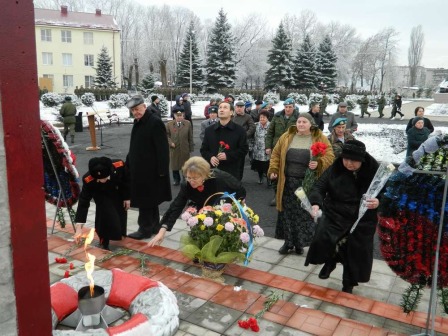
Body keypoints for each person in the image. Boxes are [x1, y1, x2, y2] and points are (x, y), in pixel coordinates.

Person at [305, 140, 380, 294]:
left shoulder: (374, 170)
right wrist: (316, 203)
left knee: (354, 251)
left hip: (362, 216)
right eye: (346, 159)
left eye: (353, 161)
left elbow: (387, 192)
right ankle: (330, 261)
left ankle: (349, 282)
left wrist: (379, 202)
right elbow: (319, 186)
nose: (348, 164)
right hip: (336, 212)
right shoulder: (337, 167)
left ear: (362, 159)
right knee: (324, 237)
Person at [268, 113, 334, 255]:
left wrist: (319, 163)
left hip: (307, 183)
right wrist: (273, 169)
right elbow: (276, 154)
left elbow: (330, 156)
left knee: (303, 214)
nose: (301, 124)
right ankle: (288, 242)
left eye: (304, 122)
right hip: (287, 182)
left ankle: (299, 244)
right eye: (299, 121)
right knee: (287, 213)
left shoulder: (319, 137)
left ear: (311, 124)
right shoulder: (287, 136)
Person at [147, 156, 246, 247]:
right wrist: (162, 230)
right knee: (200, 232)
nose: (191, 181)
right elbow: (176, 206)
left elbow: (239, 188)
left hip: (221, 205)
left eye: (195, 178)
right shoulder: (186, 184)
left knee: (219, 234)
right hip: (201, 207)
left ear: (204, 175)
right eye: (188, 177)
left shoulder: (219, 178)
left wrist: (238, 204)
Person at [125, 95, 172, 240]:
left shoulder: (154, 122)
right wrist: (129, 161)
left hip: (150, 170)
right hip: (140, 169)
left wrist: (163, 170)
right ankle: (154, 226)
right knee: (151, 200)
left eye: (138, 109)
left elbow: (163, 148)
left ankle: (144, 229)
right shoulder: (139, 122)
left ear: (144, 106)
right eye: (133, 110)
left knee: (145, 199)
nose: (136, 112)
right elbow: (135, 145)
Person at [74, 157, 130, 250]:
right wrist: (79, 227)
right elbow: (84, 201)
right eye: (99, 179)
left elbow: (126, 180)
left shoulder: (119, 165)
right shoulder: (88, 179)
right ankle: (104, 240)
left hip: (117, 190)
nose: (102, 180)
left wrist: (127, 197)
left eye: (104, 178)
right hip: (100, 193)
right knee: (106, 214)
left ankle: (121, 233)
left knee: (121, 211)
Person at [200, 100, 248, 180]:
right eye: (220, 108)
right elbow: (204, 149)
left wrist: (228, 156)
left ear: (231, 112)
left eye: (225, 108)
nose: (221, 110)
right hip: (213, 172)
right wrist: (210, 157)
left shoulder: (239, 131)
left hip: (232, 172)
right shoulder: (209, 130)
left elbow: (244, 150)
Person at [265, 97, 299, 209]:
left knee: (291, 173)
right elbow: (270, 132)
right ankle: (276, 195)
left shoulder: (298, 117)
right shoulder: (277, 116)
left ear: (293, 107)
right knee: (276, 173)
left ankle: (291, 197)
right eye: (286, 107)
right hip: (277, 148)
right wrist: (268, 146)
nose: (288, 109)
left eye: (290, 107)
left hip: (292, 149)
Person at [166, 111, 194, 186]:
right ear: (174, 116)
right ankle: (176, 179)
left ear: (183, 116)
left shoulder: (187, 123)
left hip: (185, 148)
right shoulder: (169, 124)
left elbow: (190, 136)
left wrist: (191, 147)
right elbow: (166, 135)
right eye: (177, 116)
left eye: (181, 115)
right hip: (174, 148)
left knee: (185, 165)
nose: (179, 117)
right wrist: (170, 142)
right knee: (174, 165)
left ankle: (185, 179)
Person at [232, 100, 255, 180]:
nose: (239, 109)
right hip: (232, 142)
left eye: (241, 107)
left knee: (240, 162)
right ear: (235, 108)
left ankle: (239, 178)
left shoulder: (247, 117)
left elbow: (252, 127)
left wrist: (244, 135)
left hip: (242, 142)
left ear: (244, 108)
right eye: (237, 107)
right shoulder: (232, 117)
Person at [251, 110, 271, 186]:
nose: (262, 119)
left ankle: (269, 180)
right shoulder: (256, 125)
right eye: (261, 117)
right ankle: (260, 178)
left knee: (267, 166)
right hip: (257, 150)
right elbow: (252, 136)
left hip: (267, 150)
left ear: (267, 118)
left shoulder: (271, 126)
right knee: (259, 166)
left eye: (264, 117)